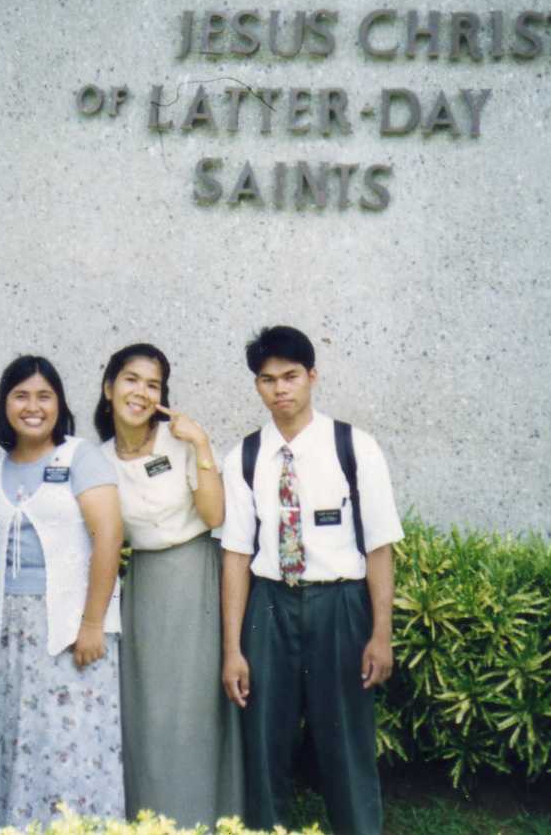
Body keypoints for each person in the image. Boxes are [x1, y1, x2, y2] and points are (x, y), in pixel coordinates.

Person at [219, 326, 403, 835]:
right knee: (263, 741)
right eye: (267, 379)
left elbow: (380, 546)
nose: (280, 389)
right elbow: (235, 554)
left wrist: (380, 633)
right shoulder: (245, 457)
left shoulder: (354, 446)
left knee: (346, 742)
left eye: (291, 376)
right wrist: (232, 649)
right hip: (270, 606)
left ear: (312, 377)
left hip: (340, 604)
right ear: (257, 386)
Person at [0, 355, 125, 827]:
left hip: (72, 626)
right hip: (13, 628)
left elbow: (109, 538)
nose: (33, 406)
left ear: (59, 404)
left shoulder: (79, 456)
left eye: (44, 396)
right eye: (21, 395)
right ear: (5, 404)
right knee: (17, 736)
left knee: (70, 739)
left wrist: (92, 623)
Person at [95, 343, 244, 827]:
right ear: (108, 387)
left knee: (194, 710)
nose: (141, 392)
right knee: (149, 711)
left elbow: (215, 514)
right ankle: (153, 817)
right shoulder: (96, 459)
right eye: (131, 379)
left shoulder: (180, 443)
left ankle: (204, 817)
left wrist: (201, 445)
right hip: (143, 586)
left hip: (196, 581)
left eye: (152, 384)